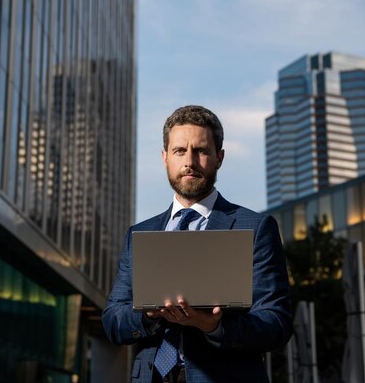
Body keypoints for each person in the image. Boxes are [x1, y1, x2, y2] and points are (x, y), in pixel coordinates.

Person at [102, 105, 292, 383]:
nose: (189, 161)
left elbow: (276, 323)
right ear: (165, 158)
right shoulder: (140, 234)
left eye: (201, 151)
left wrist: (215, 326)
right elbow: (112, 321)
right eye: (180, 151)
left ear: (219, 158)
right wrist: (148, 315)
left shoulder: (255, 228)